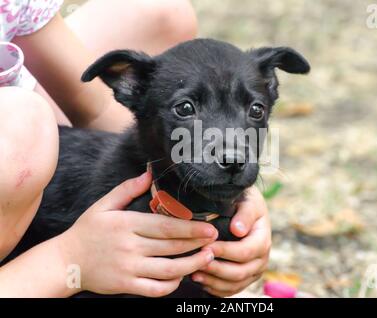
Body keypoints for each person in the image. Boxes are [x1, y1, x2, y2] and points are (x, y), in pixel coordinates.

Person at [0, 0, 271, 297]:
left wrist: (238, 200)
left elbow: (96, 110)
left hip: (22, 102)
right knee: (24, 120)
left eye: (255, 110)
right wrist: (70, 259)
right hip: (16, 132)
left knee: (162, 13)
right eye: (185, 108)